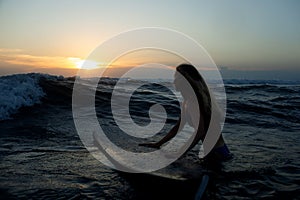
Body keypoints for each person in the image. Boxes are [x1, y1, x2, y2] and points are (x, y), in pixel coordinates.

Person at [139, 64, 232, 161]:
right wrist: (158, 144)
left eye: (177, 77)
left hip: (216, 153)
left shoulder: (194, 101)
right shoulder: (186, 101)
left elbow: (200, 131)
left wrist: (179, 153)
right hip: (217, 151)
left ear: (186, 80)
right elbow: (178, 127)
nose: (174, 81)